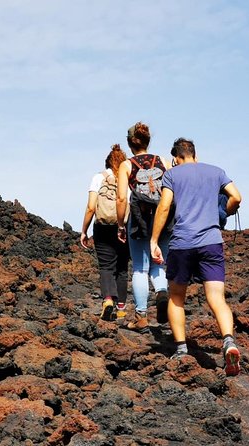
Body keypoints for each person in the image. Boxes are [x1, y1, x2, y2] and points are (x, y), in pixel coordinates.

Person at [150, 137, 243, 376]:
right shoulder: (216, 172)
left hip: (182, 243)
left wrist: (154, 240)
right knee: (217, 298)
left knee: (177, 297)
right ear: (195, 155)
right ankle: (229, 342)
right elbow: (237, 197)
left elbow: (164, 206)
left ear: (176, 158)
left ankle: (181, 349)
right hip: (211, 243)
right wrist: (223, 212)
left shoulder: (172, 174)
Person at [116, 122, 171, 332]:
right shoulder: (163, 162)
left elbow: (122, 198)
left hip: (139, 220)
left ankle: (141, 317)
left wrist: (121, 225)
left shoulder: (127, 165)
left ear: (130, 143)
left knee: (140, 267)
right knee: (159, 263)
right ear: (148, 141)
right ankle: (162, 292)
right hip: (162, 218)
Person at [80, 144, 131, 321]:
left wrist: (84, 231)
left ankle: (108, 300)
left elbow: (91, 207)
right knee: (122, 267)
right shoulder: (128, 178)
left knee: (106, 266)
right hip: (123, 226)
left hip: (102, 226)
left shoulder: (98, 177)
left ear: (107, 162)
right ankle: (122, 309)